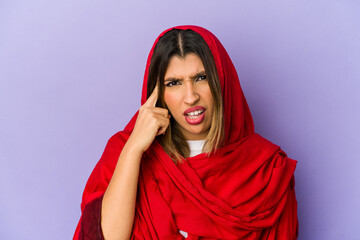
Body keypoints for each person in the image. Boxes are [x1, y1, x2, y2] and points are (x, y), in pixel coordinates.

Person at [73, 25, 298, 240]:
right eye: (174, 83)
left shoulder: (268, 171)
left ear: (222, 81)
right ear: (157, 93)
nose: (190, 97)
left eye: (201, 78)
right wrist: (133, 149)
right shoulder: (124, 152)